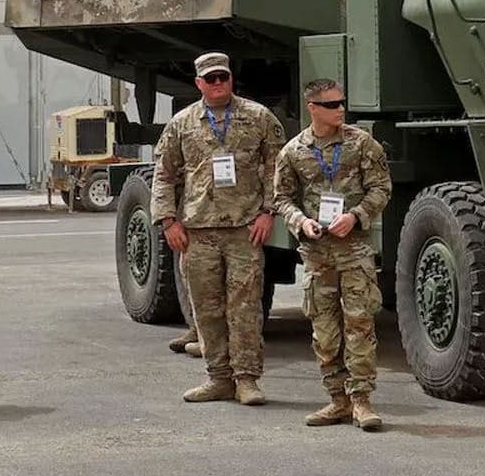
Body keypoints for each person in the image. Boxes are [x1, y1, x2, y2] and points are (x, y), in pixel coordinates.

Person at [151, 52, 284, 406]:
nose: (218, 83)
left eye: (223, 76)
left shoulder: (258, 117)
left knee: (245, 308)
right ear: (199, 83)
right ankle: (218, 378)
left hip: (244, 229)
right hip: (198, 231)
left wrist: (269, 212)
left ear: (231, 78)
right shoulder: (181, 124)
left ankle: (247, 380)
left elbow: (277, 168)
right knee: (206, 310)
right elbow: (164, 174)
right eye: (210, 79)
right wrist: (168, 221)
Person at [273, 79, 392, 431]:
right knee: (324, 333)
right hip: (317, 255)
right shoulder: (293, 151)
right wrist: (301, 222)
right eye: (331, 104)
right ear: (312, 107)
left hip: (354, 252)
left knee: (359, 326)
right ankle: (337, 400)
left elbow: (381, 188)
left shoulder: (362, 144)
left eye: (342, 102)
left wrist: (355, 216)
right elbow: (282, 198)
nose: (340, 109)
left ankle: (362, 401)